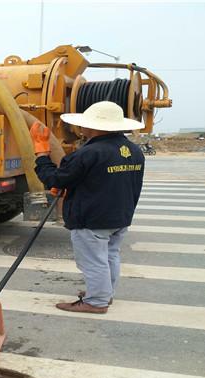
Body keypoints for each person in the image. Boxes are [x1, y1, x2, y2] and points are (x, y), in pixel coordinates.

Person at [30, 101, 145, 314]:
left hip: (92, 218)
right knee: (110, 256)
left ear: (94, 127)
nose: (80, 128)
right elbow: (103, 180)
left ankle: (97, 302)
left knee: (93, 262)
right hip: (120, 216)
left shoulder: (88, 153)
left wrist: (41, 154)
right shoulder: (133, 150)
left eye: (84, 124)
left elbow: (54, 179)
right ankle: (104, 294)